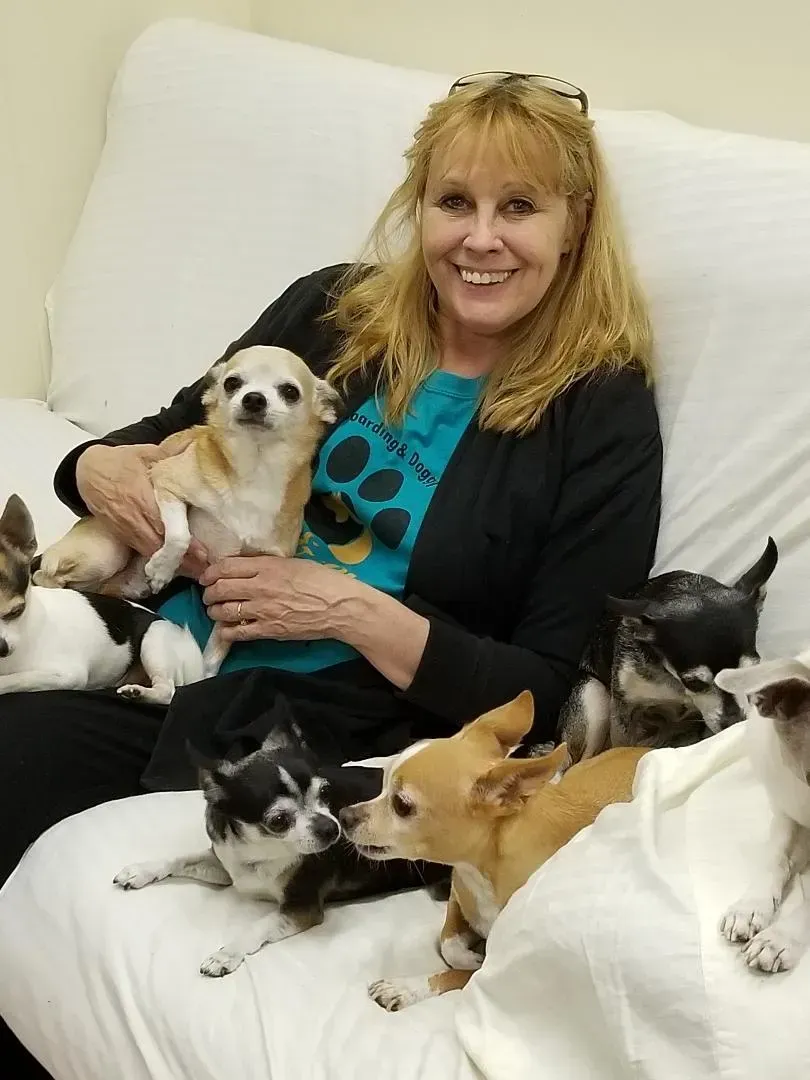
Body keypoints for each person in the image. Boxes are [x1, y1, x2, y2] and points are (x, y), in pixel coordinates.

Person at [1, 70, 661, 1076]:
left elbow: (551, 687)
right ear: (420, 205)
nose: (479, 239)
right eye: (455, 202)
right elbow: (157, 436)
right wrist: (93, 466)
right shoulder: (331, 311)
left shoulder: (600, 413)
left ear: (573, 224)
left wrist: (354, 610)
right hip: (176, 637)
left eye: (517, 207)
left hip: (325, 726)